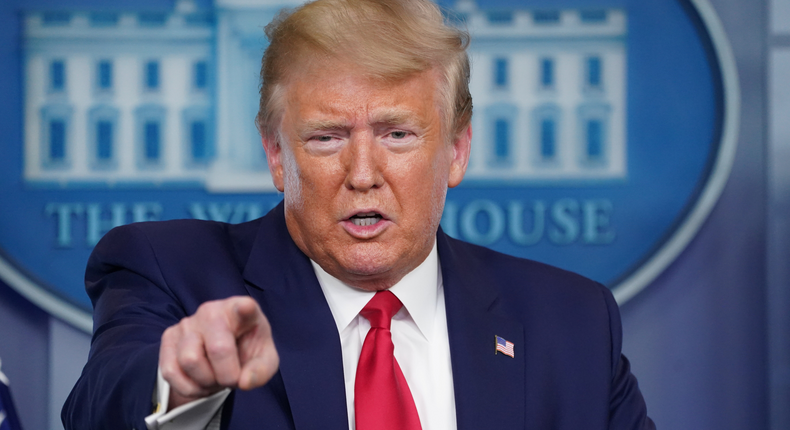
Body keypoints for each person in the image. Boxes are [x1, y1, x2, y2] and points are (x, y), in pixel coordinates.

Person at [62, 0, 655, 429]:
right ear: (276, 154)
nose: (363, 172)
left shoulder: (572, 323)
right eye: (326, 137)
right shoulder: (172, 273)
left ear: (456, 150)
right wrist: (180, 386)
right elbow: (100, 409)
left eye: (398, 134)